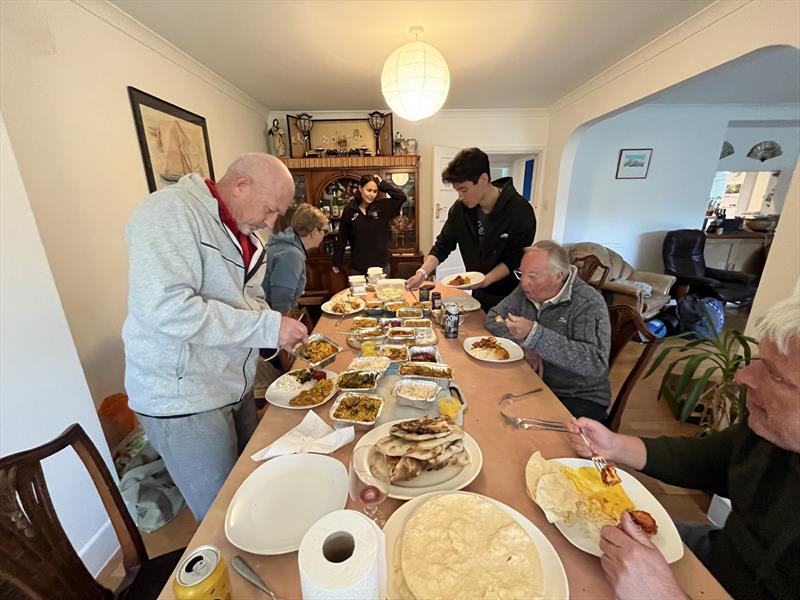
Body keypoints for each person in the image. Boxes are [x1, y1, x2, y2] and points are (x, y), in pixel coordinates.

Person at [565, 292, 800, 600]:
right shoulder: (770, 433)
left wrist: (663, 594)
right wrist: (615, 446)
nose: (743, 376)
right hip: (717, 556)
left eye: (774, 375)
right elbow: (712, 458)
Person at [122, 153, 308, 520]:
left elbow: (248, 299)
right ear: (241, 185)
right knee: (222, 514)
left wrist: (273, 325)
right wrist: (269, 327)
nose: (271, 223)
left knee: (250, 490)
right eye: (270, 210)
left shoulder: (246, 233)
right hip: (184, 396)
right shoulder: (168, 213)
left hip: (232, 384)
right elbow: (167, 309)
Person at [485, 241, 611, 419]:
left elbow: (595, 363)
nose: (524, 283)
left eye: (533, 276)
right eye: (521, 274)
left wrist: (535, 336)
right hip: (532, 380)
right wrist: (525, 346)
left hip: (577, 395)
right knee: (485, 401)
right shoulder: (526, 290)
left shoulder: (588, 302)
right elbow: (494, 317)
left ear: (558, 276)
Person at [405, 147, 536, 312]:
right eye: (457, 190)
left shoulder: (520, 210)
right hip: (479, 292)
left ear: (483, 179)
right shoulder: (460, 210)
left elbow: (515, 259)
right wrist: (422, 273)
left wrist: (486, 280)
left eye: (464, 190)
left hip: (510, 295)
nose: (460, 197)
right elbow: (443, 245)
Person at [332, 174, 407, 276]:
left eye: (375, 191)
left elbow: (401, 197)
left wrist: (383, 184)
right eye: (369, 190)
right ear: (360, 188)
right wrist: (337, 261)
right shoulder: (349, 210)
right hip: (358, 268)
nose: (372, 194)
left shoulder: (382, 207)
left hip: (381, 268)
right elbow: (342, 237)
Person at [263, 204, 329, 315]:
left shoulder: (284, 246)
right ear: (314, 232)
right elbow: (281, 301)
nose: (324, 235)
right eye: (324, 231)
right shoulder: (291, 255)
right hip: (273, 319)